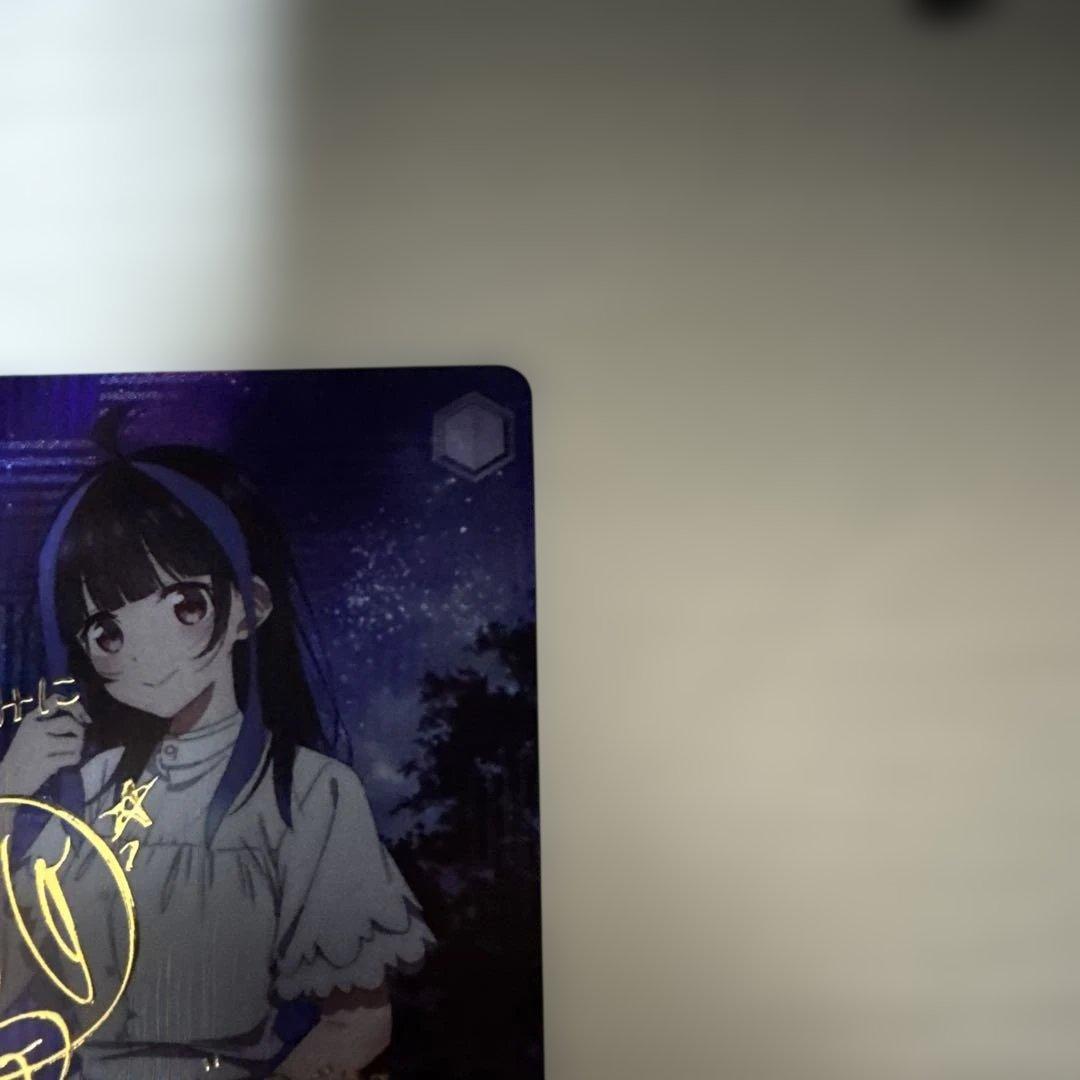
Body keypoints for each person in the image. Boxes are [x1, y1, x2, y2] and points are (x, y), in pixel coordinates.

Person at [0, 438, 435, 1079]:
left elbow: (358, 1022)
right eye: (108, 632)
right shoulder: (89, 788)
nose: (142, 651)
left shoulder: (306, 790)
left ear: (248, 608)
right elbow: (9, 987)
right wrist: (7, 798)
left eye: (183, 606)